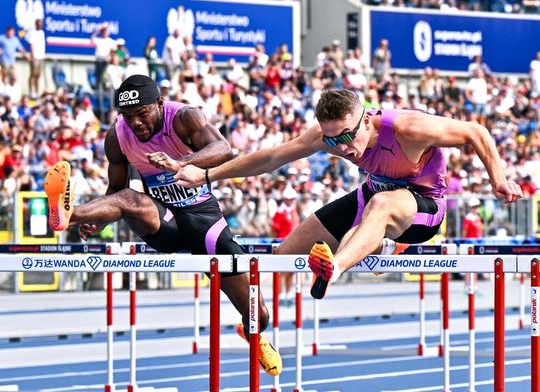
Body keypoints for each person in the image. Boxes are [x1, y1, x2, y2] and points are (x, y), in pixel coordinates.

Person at [166, 89, 523, 299]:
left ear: (366, 120)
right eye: (333, 139)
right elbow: (271, 157)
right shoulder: (329, 136)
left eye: (348, 136)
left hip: (422, 208)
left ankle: (336, 267)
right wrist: (207, 174)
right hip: (371, 197)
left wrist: (499, 179)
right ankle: (259, 327)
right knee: (284, 255)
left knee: (381, 205)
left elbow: (476, 132)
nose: (342, 147)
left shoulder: (408, 127)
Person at [43, 74, 282, 376]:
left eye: (142, 113)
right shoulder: (117, 136)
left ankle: (253, 334)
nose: (135, 123)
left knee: (259, 315)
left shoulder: (183, 117)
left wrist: (181, 163)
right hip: (164, 219)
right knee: (130, 197)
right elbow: (115, 189)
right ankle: (70, 214)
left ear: (159, 103)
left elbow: (223, 149)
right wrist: (97, 218)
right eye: (127, 116)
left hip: (203, 221)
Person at [272, 186, 300, 307]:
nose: (291, 200)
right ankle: (281, 295)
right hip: (283, 243)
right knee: (282, 272)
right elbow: (275, 229)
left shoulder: (293, 210)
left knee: (291, 271)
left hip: (294, 243)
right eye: (289, 198)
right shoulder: (280, 211)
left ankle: (289, 294)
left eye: (292, 198)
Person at [27, 18, 45, 98]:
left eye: (41, 24)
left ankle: (37, 92)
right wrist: (32, 55)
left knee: (38, 75)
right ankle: (31, 91)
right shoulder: (33, 33)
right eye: (38, 24)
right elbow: (31, 44)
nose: (40, 25)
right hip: (34, 57)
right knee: (33, 75)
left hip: (41, 57)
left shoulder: (42, 33)